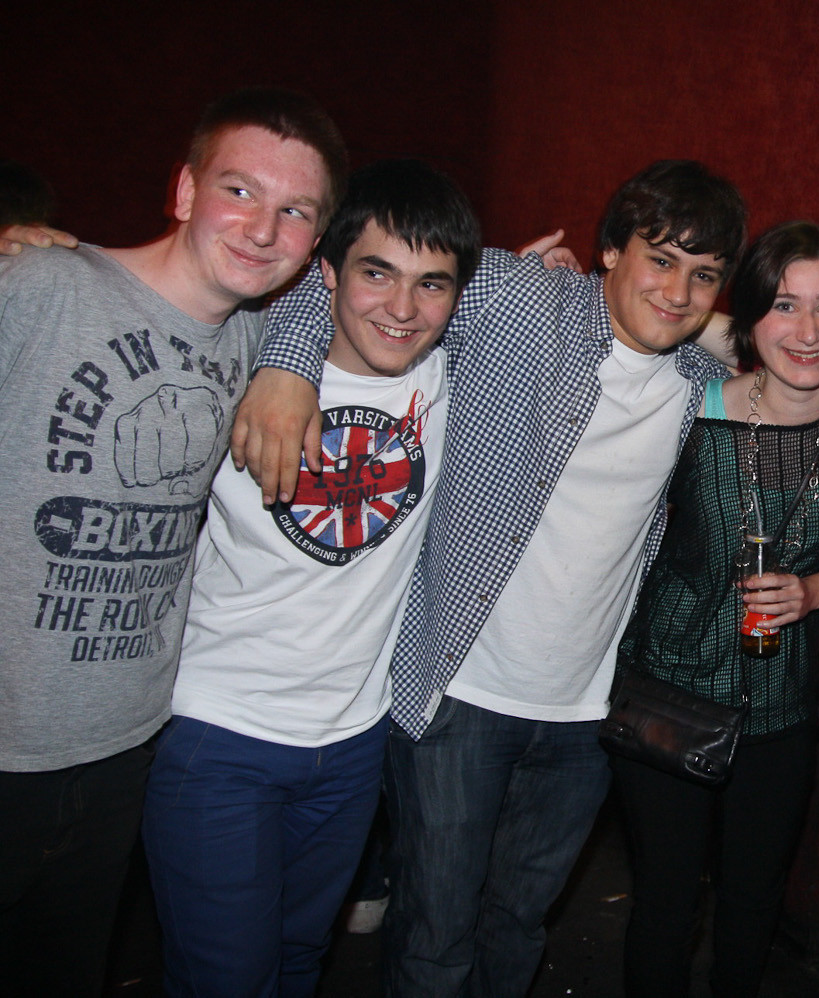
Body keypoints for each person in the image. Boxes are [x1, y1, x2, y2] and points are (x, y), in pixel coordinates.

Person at [236, 159, 747, 997]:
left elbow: (805, 351)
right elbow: (343, 280)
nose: (678, 291)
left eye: (704, 275)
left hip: (585, 716)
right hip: (458, 696)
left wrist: (739, 321)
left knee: (518, 925)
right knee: (435, 935)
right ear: (609, 251)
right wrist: (287, 367)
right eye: (660, 260)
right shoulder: (519, 297)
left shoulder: (699, 384)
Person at [0, 87, 344, 998]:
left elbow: (347, 297)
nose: (263, 229)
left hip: (123, 746)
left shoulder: (258, 337)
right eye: (240, 191)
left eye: (295, 211)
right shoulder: (43, 286)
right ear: (185, 191)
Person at [139, 159, 479, 997]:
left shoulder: (448, 377)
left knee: (299, 961)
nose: (402, 309)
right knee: (226, 979)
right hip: (222, 733)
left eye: (431, 285)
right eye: (376, 273)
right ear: (326, 271)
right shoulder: (244, 360)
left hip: (353, 741)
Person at [612, 221, 819, 998]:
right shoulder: (689, 407)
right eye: (784, 305)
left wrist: (814, 591)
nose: (808, 330)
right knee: (665, 903)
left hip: (782, 710)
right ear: (750, 317)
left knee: (753, 904)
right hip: (670, 693)